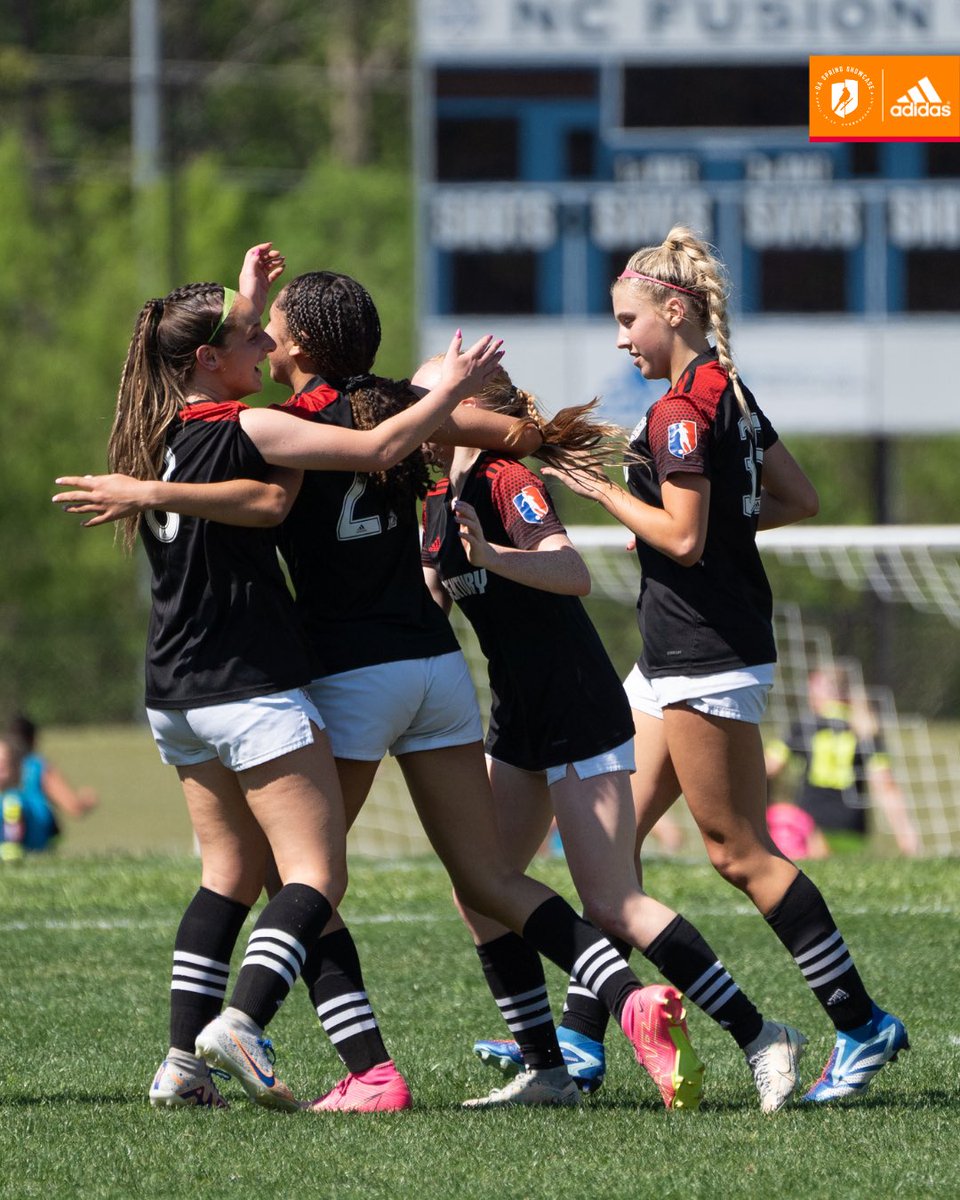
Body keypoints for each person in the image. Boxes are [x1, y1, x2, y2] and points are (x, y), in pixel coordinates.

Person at [56, 264, 708, 1113]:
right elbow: (497, 436)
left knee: (298, 880)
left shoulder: (275, 422)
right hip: (436, 669)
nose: (261, 335)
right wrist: (500, 414)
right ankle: (624, 1001)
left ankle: (296, 1042)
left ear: (293, 347)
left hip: (344, 677)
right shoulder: (396, 407)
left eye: (271, 328)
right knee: (484, 878)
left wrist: (150, 482)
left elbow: (265, 451)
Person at [57, 245, 505, 1112]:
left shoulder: (156, 434)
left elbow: (264, 504)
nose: (267, 345)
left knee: (227, 874)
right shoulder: (252, 429)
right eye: (249, 338)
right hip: (251, 684)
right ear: (207, 360)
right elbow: (381, 444)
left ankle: (184, 1068)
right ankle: (245, 1024)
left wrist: (247, 302)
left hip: (175, 692)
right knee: (315, 877)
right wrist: (451, 386)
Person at [539, 225, 908, 1105]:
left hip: (704, 657)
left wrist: (596, 488)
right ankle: (579, 1046)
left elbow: (684, 535)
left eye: (629, 320)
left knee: (737, 851)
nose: (620, 338)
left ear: (675, 309)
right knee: (610, 845)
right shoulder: (725, 390)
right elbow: (798, 498)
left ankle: (860, 1024)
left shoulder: (680, 409)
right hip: (676, 654)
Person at [416, 358, 810, 1112]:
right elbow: (434, 598)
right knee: (480, 885)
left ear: (466, 410)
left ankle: (762, 1035)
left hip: (577, 706)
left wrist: (495, 555)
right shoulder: (438, 498)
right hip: (519, 714)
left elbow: (571, 573)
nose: (416, 408)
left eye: (430, 393)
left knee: (612, 900)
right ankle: (548, 1069)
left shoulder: (505, 480)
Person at [765, 665, 920, 857]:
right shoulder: (866, 729)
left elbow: (768, 768)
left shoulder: (806, 726)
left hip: (811, 824)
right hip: (852, 827)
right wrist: (906, 835)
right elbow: (885, 785)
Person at [7, 713, 98, 852]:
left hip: (8, 833)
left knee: (10, 804)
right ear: (33, 740)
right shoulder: (38, 766)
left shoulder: (5, 766)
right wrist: (87, 801)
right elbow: (73, 807)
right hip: (36, 835)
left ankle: (10, 836)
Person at [0, 734, 26, 863]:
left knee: (11, 806)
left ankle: (10, 849)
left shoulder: (13, 799)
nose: (0, 767)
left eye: (4, 762)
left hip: (9, 849)